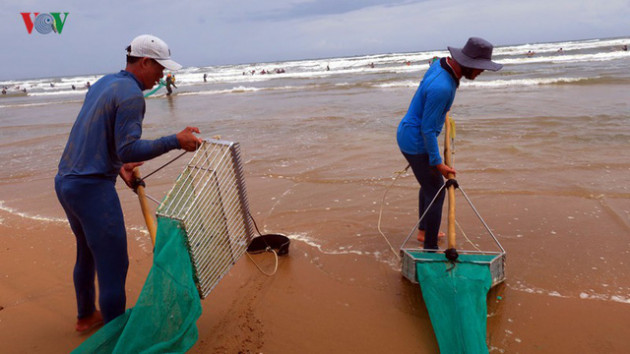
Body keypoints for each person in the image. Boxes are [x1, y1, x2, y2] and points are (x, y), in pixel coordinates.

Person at [54, 34, 203, 332]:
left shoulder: (104, 83)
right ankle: (113, 337)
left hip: (66, 182)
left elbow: (100, 137)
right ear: (145, 61)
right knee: (114, 265)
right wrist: (175, 140)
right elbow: (129, 148)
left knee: (86, 252)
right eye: (160, 67)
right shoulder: (132, 95)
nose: (162, 74)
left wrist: (117, 165)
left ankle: (86, 316)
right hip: (91, 189)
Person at [396, 37, 503, 249]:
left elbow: (428, 82)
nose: (481, 72)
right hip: (416, 141)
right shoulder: (442, 88)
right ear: (468, 63)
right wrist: (438, 163)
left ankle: (424, 231)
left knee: (428, 186)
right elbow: (427, 129)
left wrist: (440, 109)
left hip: (408, 132)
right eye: (480, 68)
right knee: (437, 191)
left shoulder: (441, 64)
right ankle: (430, 248)